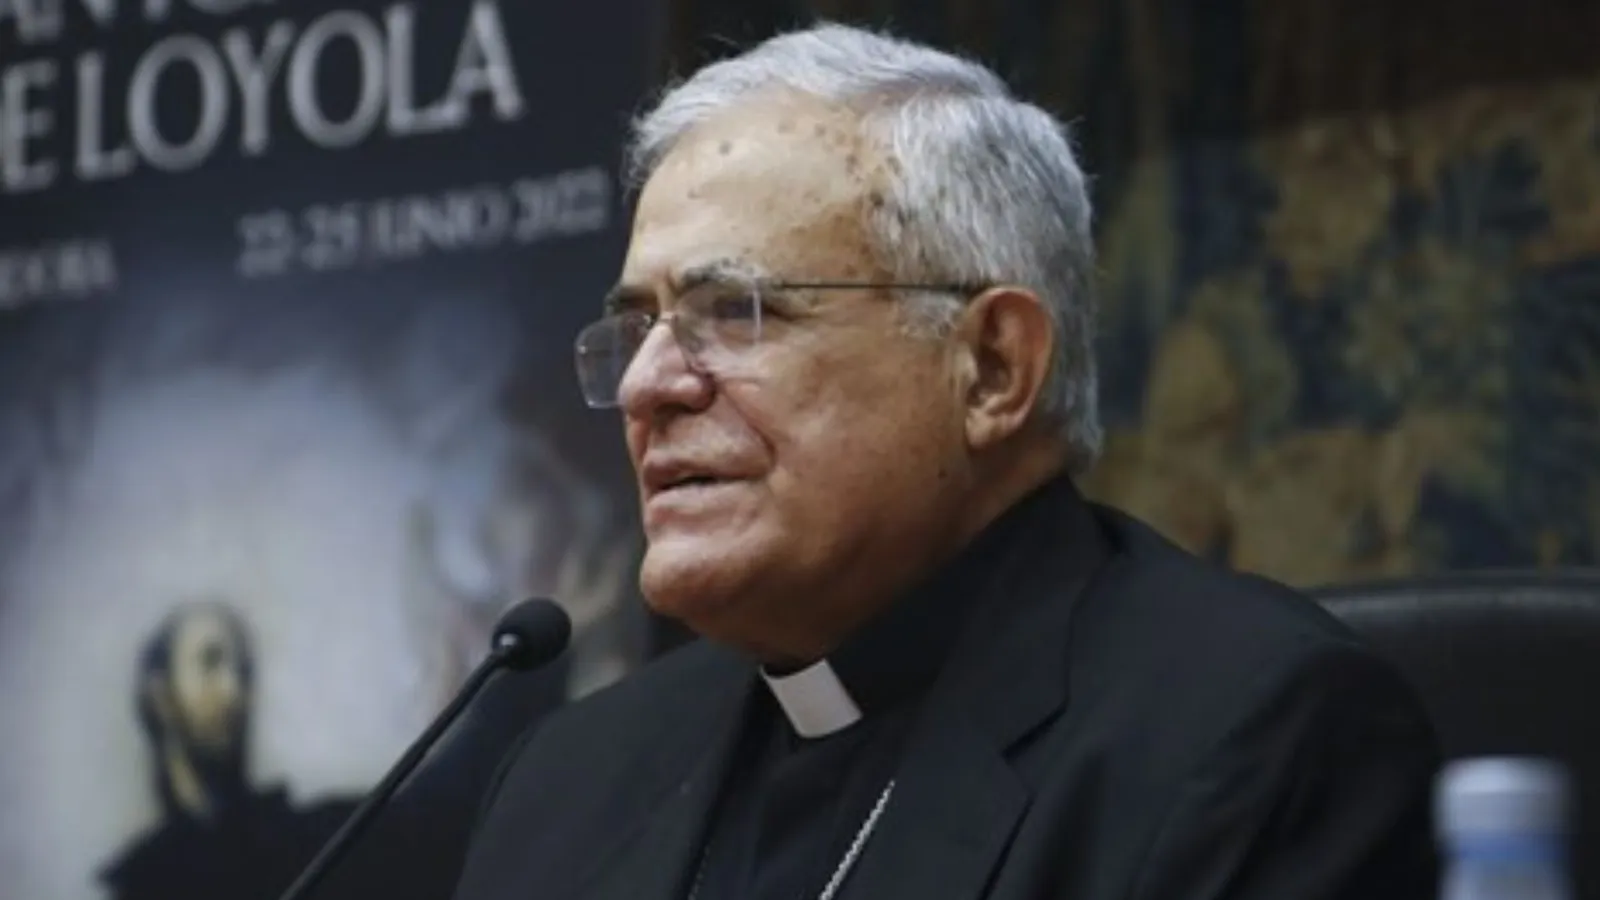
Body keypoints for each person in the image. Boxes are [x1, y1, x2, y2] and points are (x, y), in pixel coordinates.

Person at [451, 23, 1439, 900]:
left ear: (993, 368)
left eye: (734, 313)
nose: (646, 386)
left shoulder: (1247, 737)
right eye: (637, 327)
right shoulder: (568, 784)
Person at [99, 600, 360, 900]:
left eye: (243, 671)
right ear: (161, 697)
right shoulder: (139, 882)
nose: (233, 690)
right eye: (210, 663)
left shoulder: (299, 840)